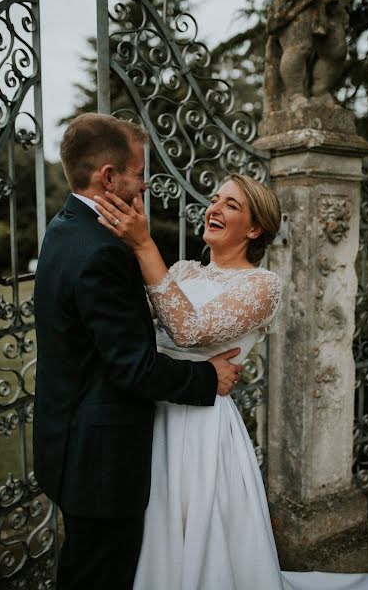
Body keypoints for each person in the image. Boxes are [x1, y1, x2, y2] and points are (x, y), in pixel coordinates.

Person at [95, 172, 368, 590]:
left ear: (255, 229)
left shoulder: (262, 285)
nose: (214, 208)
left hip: (199, 428)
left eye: (231, 205)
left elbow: (187, 330)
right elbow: (135, 333)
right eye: (215, 199)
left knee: (198, 533)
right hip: (152, 413)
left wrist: (145, 245)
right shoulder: (181, 270)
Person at [33, 113, 243, 590]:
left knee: (83, 567)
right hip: (101, 459)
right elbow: (134, 367)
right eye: (139, 172)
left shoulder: (64, 228)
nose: (144, 185)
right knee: (101, 574)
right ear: (109, 177)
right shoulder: (102, 251)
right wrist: (210, 377)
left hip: (69, 439)